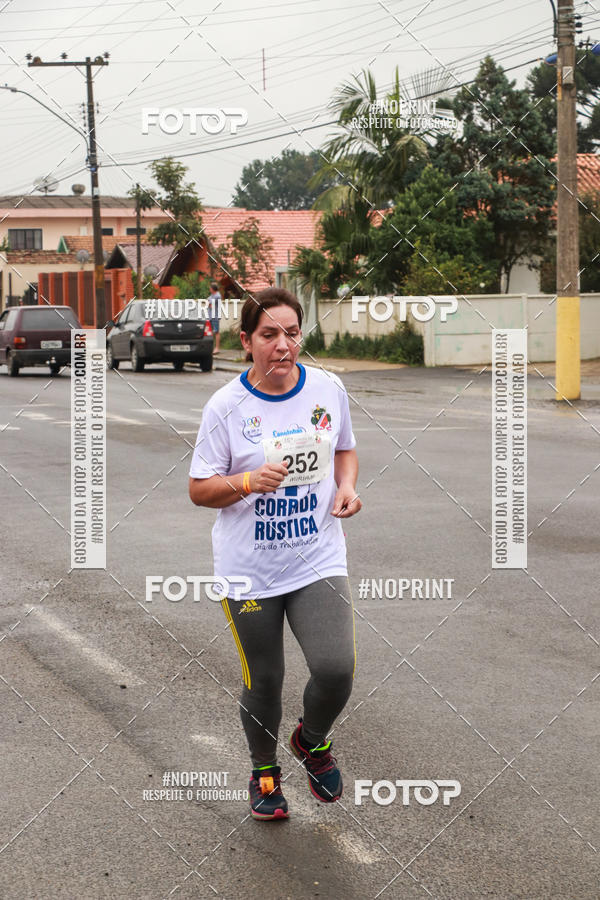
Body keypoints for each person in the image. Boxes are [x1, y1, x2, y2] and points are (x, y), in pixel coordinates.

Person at [189, 287, 361, 820]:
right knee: (264, 679)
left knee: (336, 669)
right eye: (269, 335)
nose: (282, 345)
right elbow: (199, 488)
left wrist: (346, 487)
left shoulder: (328, 388)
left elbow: (346, 450)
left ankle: (312, 741)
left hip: (317, 556)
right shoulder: (226, 406)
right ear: (246, 343)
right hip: (250, 571)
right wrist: (245, 481)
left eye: (291, 333)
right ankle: (263, 770)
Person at [208, 281, 221, 354]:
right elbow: (208, 301)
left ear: (213, 289)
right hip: (210, 317)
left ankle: (217, 348)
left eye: (210, 288)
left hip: (215, 317)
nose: (209, 289)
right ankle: (211, 347)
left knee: (216, 332)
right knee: (210, 333)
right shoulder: (212, 295)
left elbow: (209, 303)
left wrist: (209, 303)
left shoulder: (217, 296)